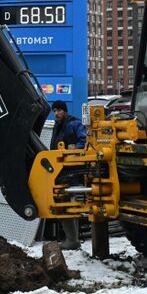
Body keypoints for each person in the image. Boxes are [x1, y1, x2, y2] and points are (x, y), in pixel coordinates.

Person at [49, 101, 86, 250]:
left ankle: (72, 239)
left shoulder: (74, 124)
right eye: (54, 111)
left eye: (59, 110)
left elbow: (83, 141)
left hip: (73, 170)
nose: (56, 113)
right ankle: (72, 238)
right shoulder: (58, 126)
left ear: (65, 111)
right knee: (65, 202)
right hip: (61, 170)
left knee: (66, 202)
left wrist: (72, 151)